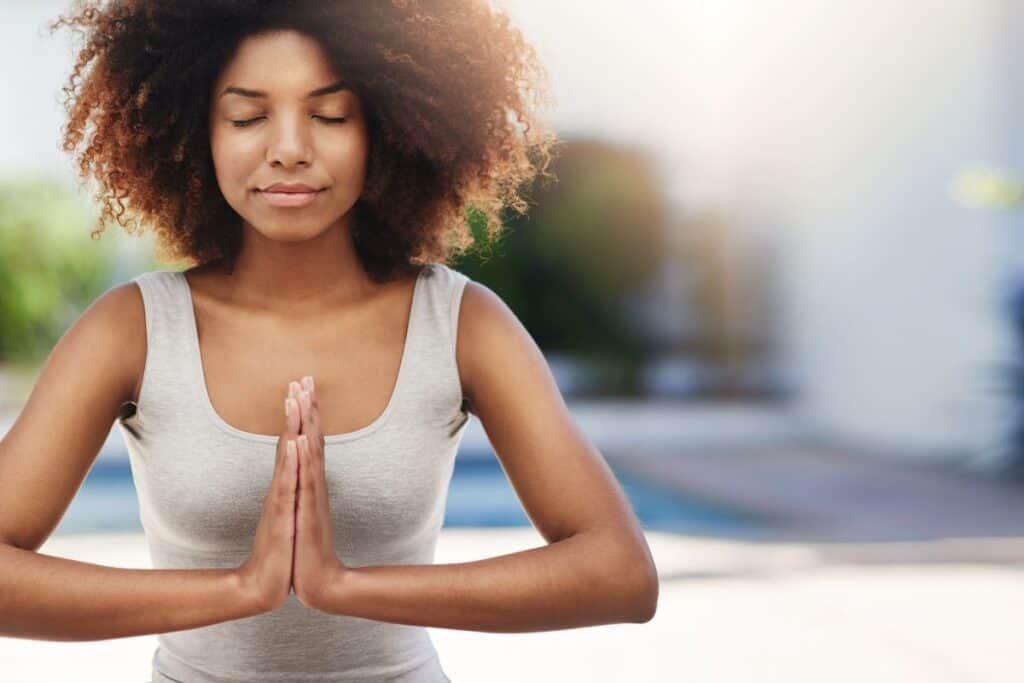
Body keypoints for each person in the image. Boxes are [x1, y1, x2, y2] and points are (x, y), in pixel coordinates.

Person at [0, 1, 659, 681]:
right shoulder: (132, 330)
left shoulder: (460, 323)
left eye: (331, 115)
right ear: (196, 131)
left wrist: (344, 585)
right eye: (248, 116)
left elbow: (619, 572)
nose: (288, 147)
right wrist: (239, 589)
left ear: (388, 130)